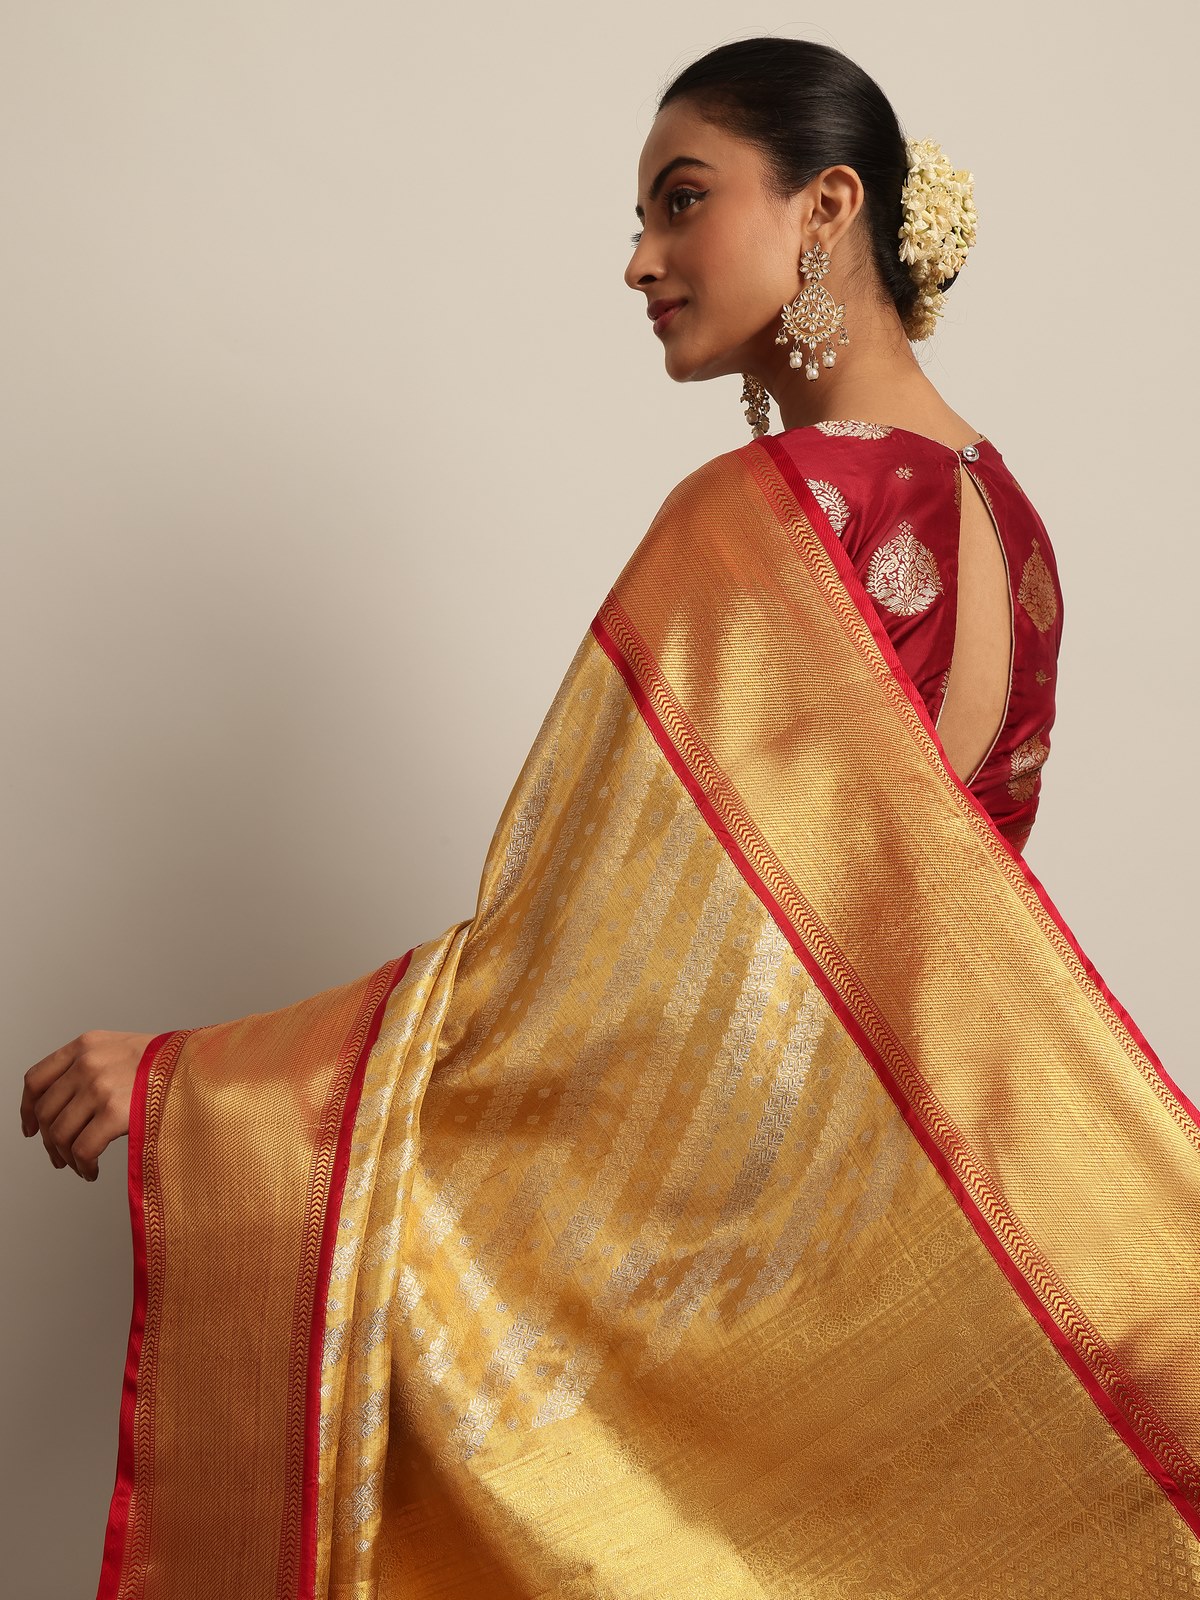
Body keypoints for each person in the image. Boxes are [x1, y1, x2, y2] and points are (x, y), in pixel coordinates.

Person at [20, 35, 1200, 1599]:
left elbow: (568, 983)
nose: (638, 259)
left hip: (732, 1315)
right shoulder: (1015, 522)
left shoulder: (756, 527)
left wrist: (203, 1088)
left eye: (682, 201)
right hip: (921, 1309)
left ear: (827, 206)